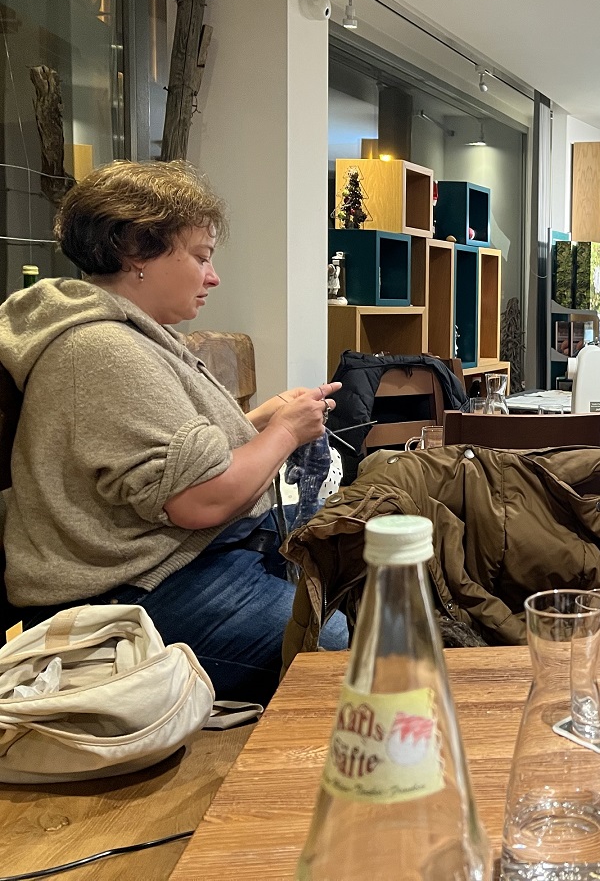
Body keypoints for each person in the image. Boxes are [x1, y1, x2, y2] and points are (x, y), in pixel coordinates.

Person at [0, 160, 348, 703]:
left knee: (361, 570)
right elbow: (200, 502)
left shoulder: (132, 337)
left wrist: (259, 420)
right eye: (201, 257)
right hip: (129, 597)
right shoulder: (102, 349)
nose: (213, 277)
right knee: (337, 639)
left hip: (175, 565)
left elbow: (166, 453)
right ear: (137, 251)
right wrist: (284, 433)